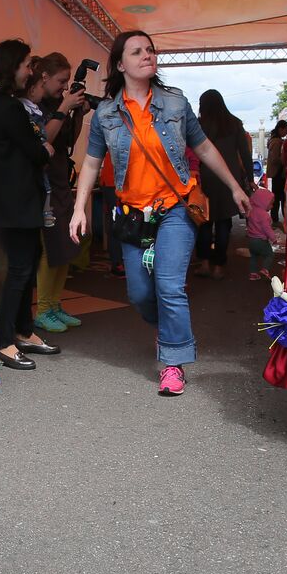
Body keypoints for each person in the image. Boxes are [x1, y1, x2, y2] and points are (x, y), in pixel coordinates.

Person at [70, 31, 250, 397]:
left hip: (174, 209)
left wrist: (234, 185)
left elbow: (204, 147)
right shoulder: (106, 113)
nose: (147, 55)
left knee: (169, 286)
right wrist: (79, 208)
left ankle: (173, 362)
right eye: (137, 52)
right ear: (120, 65)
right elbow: (90, 163)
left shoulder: (175, 104)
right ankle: (166, 330)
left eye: (150, 50)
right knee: (139, 293)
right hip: (133, 214)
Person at [0, 38, 61, 371]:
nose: (32, 70)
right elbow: (36, 151)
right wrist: (45, 151)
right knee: (19, 269)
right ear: (12, 67)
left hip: (12, 199)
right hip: (14, 200)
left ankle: (24, 331)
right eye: (28, 64)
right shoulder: (8, 107)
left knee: (28, 263)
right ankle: (6, 341)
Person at [26, 52, 90, 334]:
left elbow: (67, 143)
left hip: (62, 178)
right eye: (61, 81)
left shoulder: (58, 105)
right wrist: (65, 106)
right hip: (44, 184)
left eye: (67, 83)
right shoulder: (36, 106)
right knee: (50, 247)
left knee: (67, 243)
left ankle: (53, 304)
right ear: (44, 77)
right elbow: (44, 140)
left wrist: (79, 113)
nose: (64, 88)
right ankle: (43, 309)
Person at [190, 89, 253, 280]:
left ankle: (205, 264)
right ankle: (219, 266)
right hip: (228, 179)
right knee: (224, 224)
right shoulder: (234, 123)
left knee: (204, 223)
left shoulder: (199, 125)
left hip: (205, 178)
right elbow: (244, 154)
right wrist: (249, 178)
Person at [246, 185, 275, 279]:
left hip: (251, 240)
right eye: (271, 204)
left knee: (253, 256)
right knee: (269, 254)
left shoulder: (251, 211)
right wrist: (273, 238)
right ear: (263, 202)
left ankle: (253, 273)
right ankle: (265, 269)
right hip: (260, 241)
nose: (272, 206)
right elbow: (267, 229)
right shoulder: (264, 215)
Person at [266, 118, 287, 227]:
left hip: (274, 172)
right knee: (280, 197)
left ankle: (275, 217)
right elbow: (276, 158)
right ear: (281, 129)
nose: (286, 132)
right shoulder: (278, 142)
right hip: (278, 173)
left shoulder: (273, 140)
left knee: (277, 196)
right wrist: (284, 162)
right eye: (286, 129)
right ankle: (277, 218)